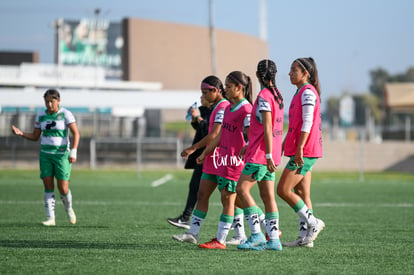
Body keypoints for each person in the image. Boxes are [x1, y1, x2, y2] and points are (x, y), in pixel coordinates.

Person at [196, 71, 253, 249]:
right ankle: (266, 227)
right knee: (230, 200)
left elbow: (251, 134)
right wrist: (206, 153)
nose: (225, 89)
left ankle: (220, 240)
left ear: (239, 87)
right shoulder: (229, 107)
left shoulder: (246, 109)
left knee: (229, 199)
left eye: (228, 87)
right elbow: (221, 136)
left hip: (236, 162)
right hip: (224, 161)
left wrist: (249, 145)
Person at [172, 75, 230, 244]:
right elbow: (210, 133)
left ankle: (260, 226)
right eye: (202, 92)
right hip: (211, 157)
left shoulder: (223, 106)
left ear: (216, 90)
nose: (203, 96)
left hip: (222, 159)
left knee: (234, 199)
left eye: (205, 92)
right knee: (202, 194)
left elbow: (213, 135)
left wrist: (193, 149)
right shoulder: (215, 107)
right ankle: (193, 233)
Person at [11, 89, 80, 226]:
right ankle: (50, 218)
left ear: (58, 101)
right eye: (46, 101)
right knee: (48, 185)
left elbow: (76, 134)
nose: (49, 104)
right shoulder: (41, 114)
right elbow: (36, 136)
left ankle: (68, 209)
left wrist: (73, 151)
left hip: (61, 155)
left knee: (63, 187)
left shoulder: (66, 114)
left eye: (51, 101)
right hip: (45, 155)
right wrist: (21, 134)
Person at [236, 59, 284, 251]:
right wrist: (248, 144)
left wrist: (268, 156)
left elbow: (268, 127)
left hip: (261, 157)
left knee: (241, 190)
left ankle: (256, 235)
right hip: (267, 155)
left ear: (257, 75)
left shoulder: (264, 96)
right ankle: (274, 240)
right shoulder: (278, 95)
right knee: (267, 196)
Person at [276, 57, 325, 248]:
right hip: (304, 148)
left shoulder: (307, 93)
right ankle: (305, 238)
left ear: (306, 73)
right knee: (301, 191)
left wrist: (300, 149)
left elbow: (307, 123)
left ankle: (313, 223)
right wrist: (284, 142)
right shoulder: (300, 92)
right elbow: (296, 124)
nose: (289, 73)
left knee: (282, 190)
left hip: (306, 150)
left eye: (294, 70)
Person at [167, 94, 212, 229]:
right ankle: (186, 218)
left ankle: (247, 220)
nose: (201, 97)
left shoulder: (218, 109)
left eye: (204, 93)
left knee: (229, 192)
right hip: (203, 156)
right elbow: (201, 130)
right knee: (196, 187)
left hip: (213, 155)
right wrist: (194, 119)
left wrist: (198, 117)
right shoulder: (204, 109)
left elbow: (211, 133)